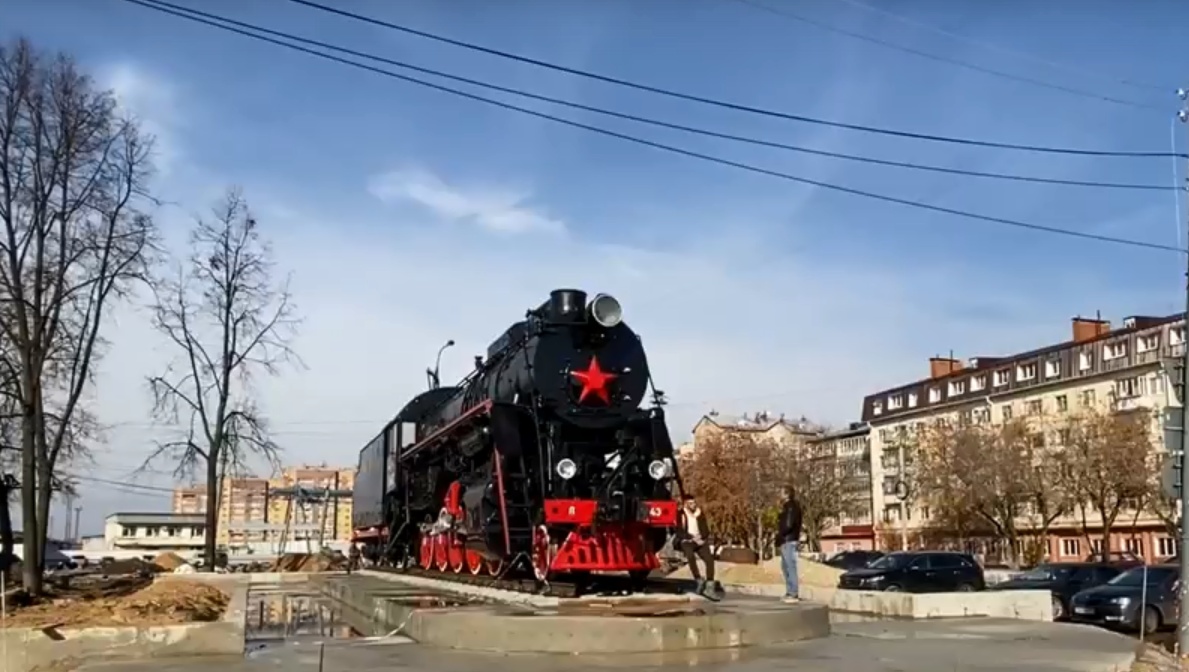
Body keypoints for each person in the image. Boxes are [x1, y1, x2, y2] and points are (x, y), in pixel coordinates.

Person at [676, 494, 717, 595]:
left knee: (709, 560)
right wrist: (690, 537)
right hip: (688, 541)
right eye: (690, 503)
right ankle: (698, 579)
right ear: (685, 504)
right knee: (690, 556)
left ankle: (710, 585)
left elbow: (705, 529)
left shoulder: (699, 513)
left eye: (694, 503)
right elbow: (678, 531)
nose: (693, 505)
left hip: (700, 540)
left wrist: (702, 537)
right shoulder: (681, 514)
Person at [777, 485, 803, 603]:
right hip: (786, 540)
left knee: (790, 566)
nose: (779, 495)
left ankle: (793, 593)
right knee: (785, 567)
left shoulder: (791, 507)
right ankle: (789, 592)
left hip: (789, 540)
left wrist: (780, 534)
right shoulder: (788, 506)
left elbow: (788, 524)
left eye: (781, 492)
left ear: (787, 494)